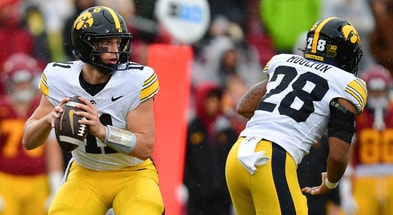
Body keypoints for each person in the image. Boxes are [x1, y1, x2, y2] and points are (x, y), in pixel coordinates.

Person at [21, 6, 164, 215]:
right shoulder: (59, 78)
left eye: (118, 42)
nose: (116, 50)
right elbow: (28, 140)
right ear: (86, 45)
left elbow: (145, 147)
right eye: (107, 43)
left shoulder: (136, 81)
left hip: (133, 174)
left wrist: (102, 131)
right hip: (85, 174)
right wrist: (48, 120)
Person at [225, 16, 367, 214]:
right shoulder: (345, 83)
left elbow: (244, 106)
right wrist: (332, 182)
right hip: (271, 160)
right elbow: (337, 155)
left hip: (237, 156)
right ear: (341, 52)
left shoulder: (285, 62)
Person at [0, 53, 64, 215]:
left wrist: (56, 187)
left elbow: (52, 151)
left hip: (38, 180)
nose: (23, 87)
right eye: (18, 83)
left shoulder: (41, 108)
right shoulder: (2, 109)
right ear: (9, 82)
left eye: (26, 82)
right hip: (5, 180)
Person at [342, 65, 393, 215]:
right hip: (363, 179)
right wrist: (346, 192)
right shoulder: (358, 116)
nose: (377, 96)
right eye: (373, 92)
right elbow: (347, 155)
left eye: (380, 92)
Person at [184, 82, 237, 215]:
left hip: (222, 198)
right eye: (209, 99)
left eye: (216, 99)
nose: (213, 103)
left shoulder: (226, 129)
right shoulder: (192, 129)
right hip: (198, 199)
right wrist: (193, 185)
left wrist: (226, 187)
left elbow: (234, 160)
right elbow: (184, 161)